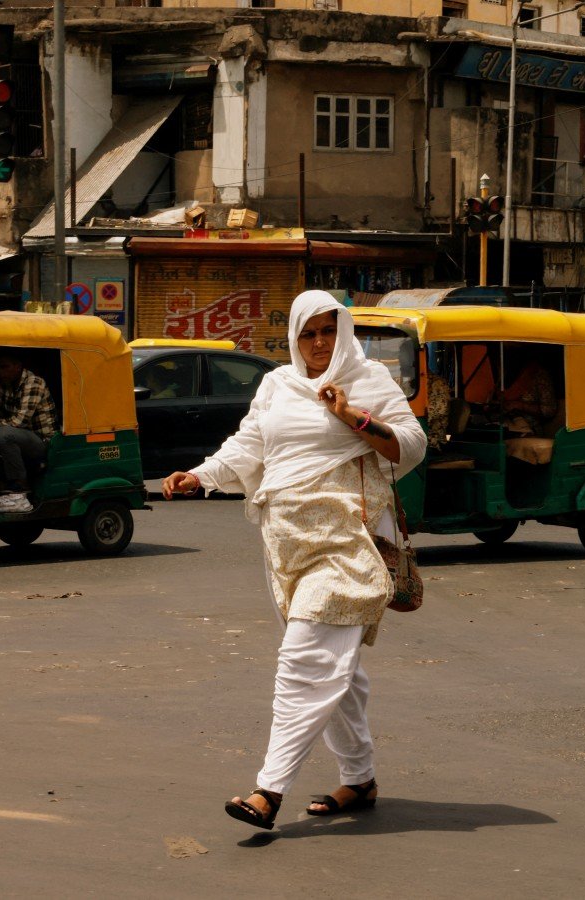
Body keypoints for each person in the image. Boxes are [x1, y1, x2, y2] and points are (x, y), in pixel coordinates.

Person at [161, 290, 427, 831]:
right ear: (294, 338)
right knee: (338, 665)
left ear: (345, 331)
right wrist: (201, 476)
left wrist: (353, 417)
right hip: (285, 541)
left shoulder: (370, 379)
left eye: (329, 330)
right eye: (309, 333)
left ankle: (269, 790)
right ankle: (359, 778)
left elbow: (412, 445)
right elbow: (249, 445)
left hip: (348, 539)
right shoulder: (277, 385)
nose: (320, 342)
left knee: (305, 658)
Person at [0, 351, 57, 514]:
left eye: (5, 367)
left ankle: (19, 484)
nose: (0, 372)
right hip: (23, 439)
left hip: (42, 442)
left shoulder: (33, 382)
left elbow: (19, 421)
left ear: (18, 367)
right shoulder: (7, 384)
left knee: (5, 434)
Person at [496, 349, 557, 436]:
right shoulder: (505, 374)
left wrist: (520, 405)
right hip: (504, 422)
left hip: (528, 429)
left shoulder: (538, 376)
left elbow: (549, 410)